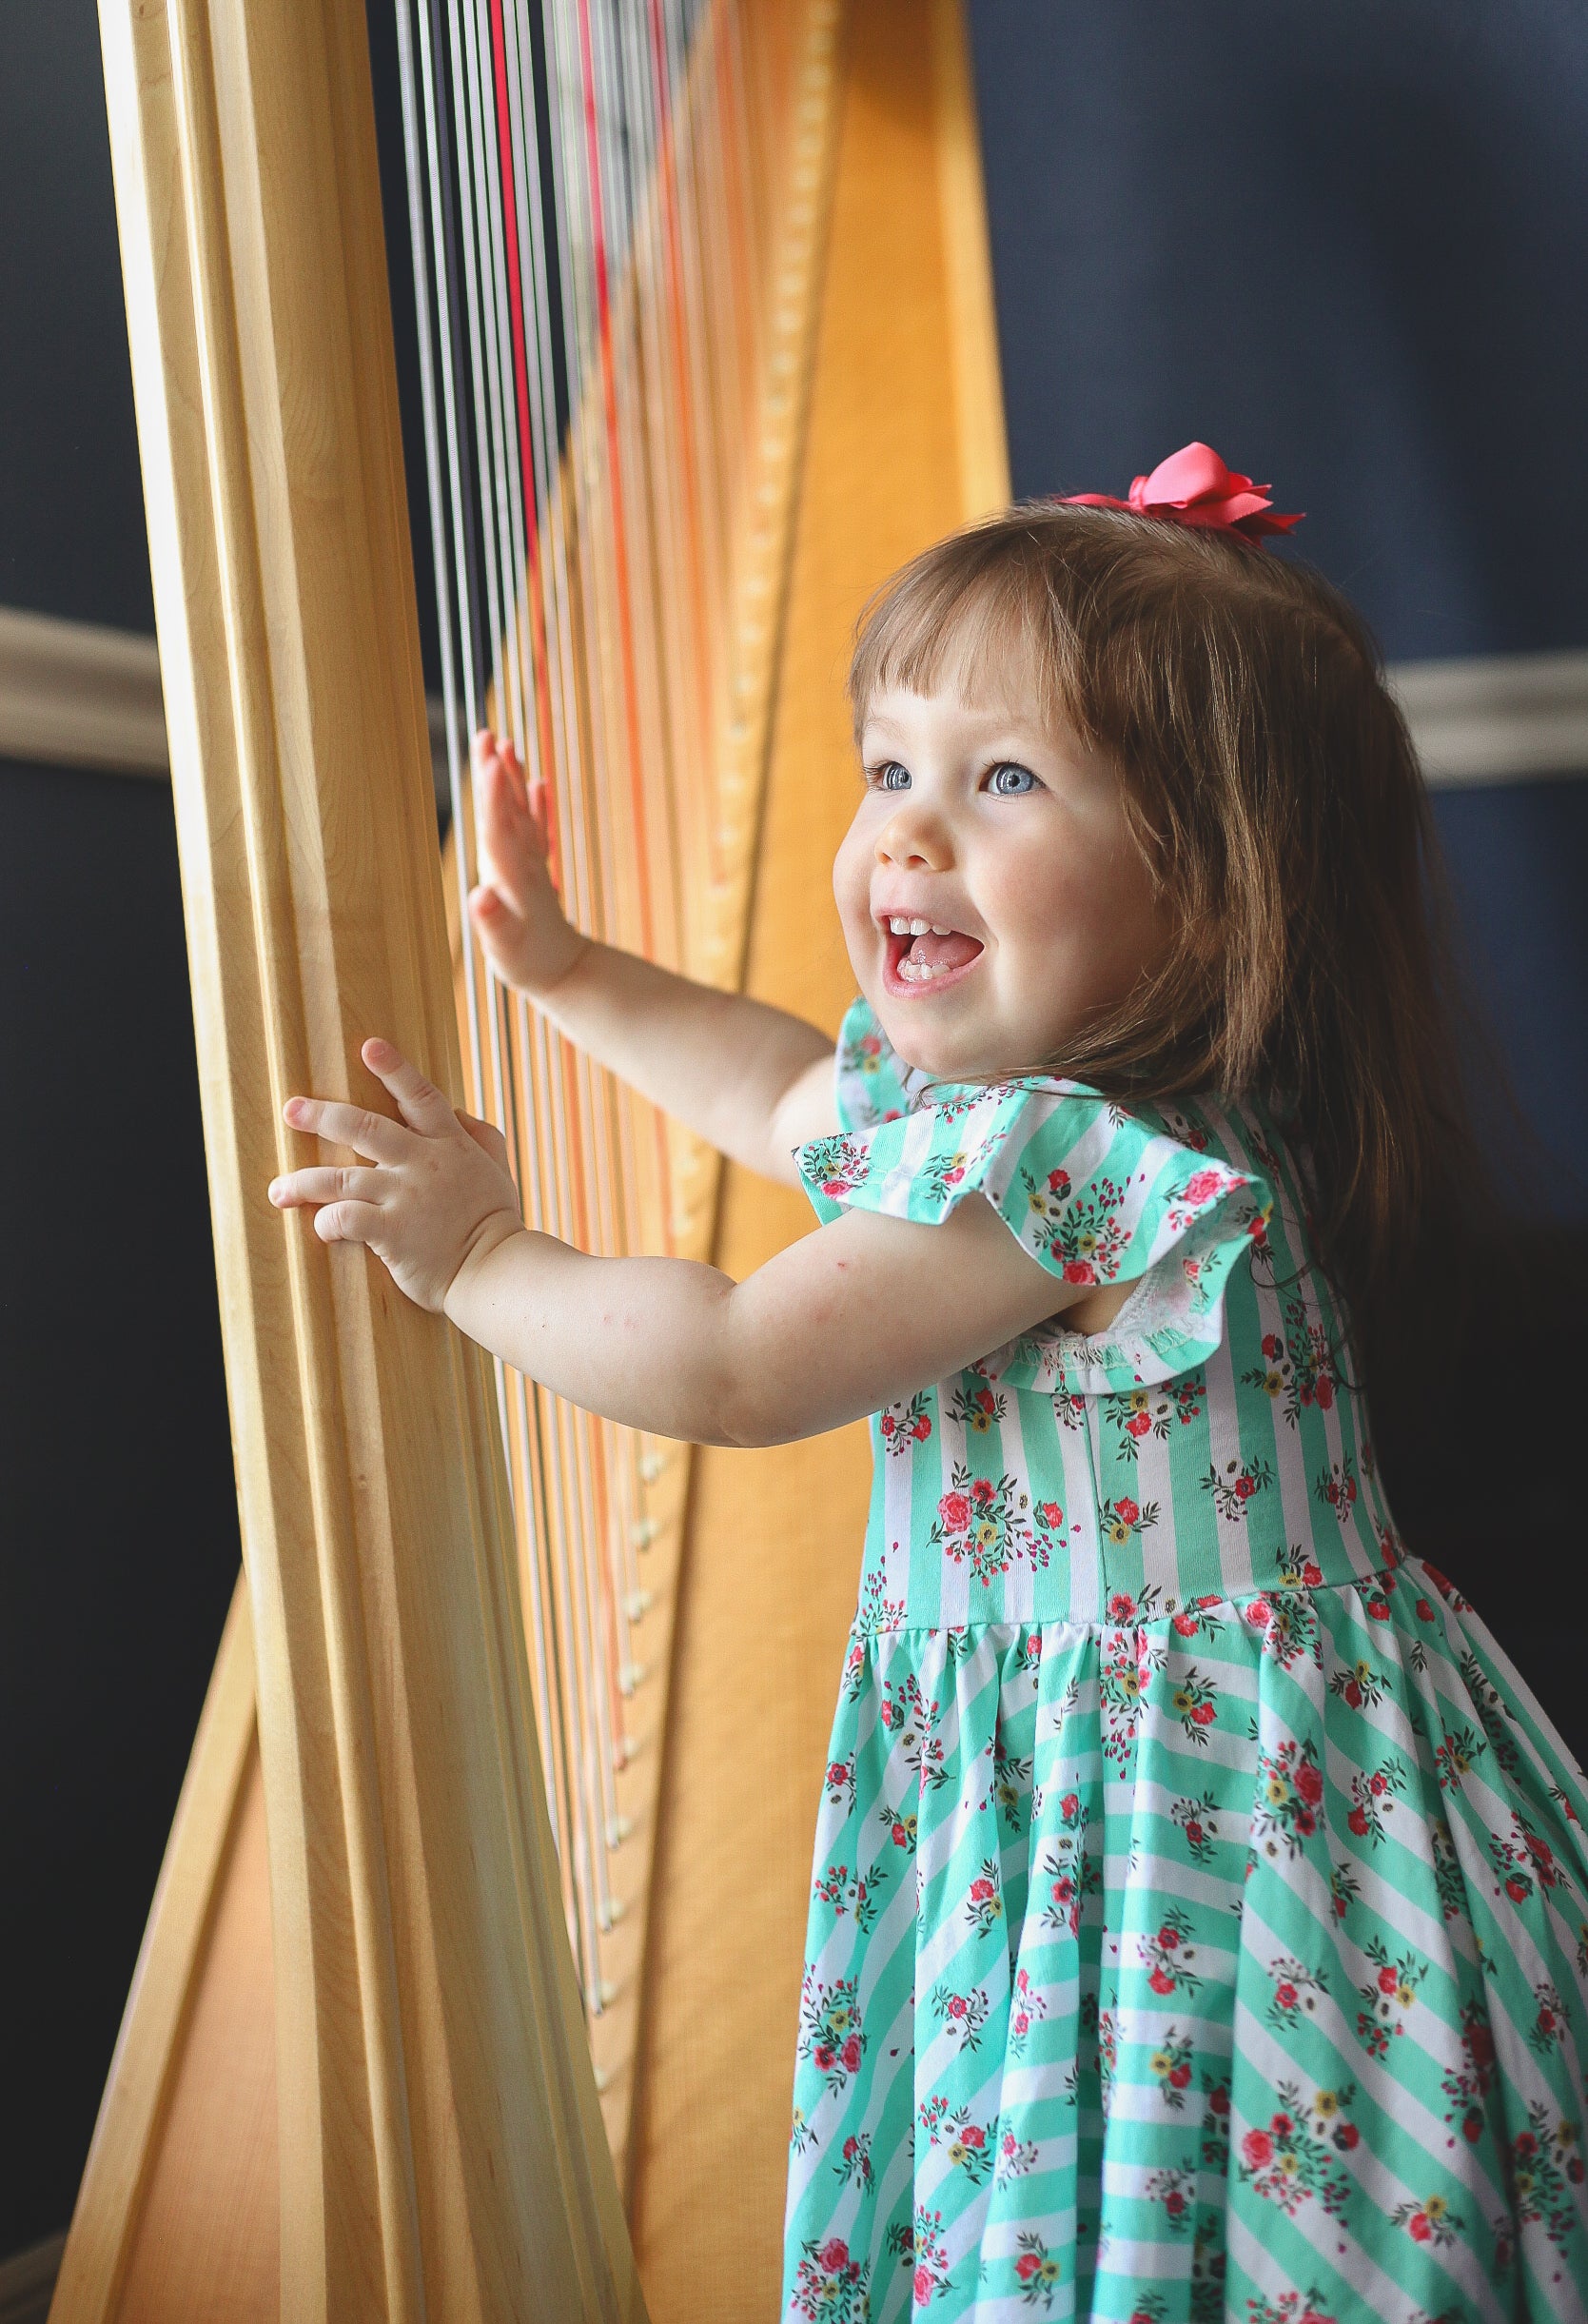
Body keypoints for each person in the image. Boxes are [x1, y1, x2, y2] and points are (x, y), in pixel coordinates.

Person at [268, 444, 1588, 2321]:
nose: (903, 833)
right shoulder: (1092, 1119)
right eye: (891, 767)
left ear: (1210, 897)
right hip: (1228, 1769)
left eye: (1003, 782)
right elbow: (775, 1085)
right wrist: (563, 971)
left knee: (1160, 2167)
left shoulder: (1069, 1174)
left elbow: (731, 1367)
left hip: (1182, 1827)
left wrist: (481, 1256)